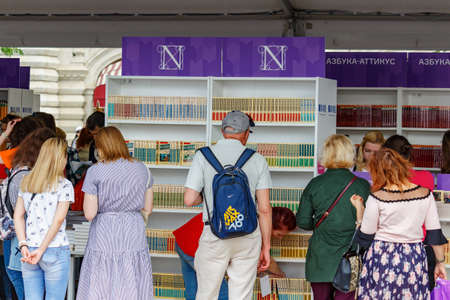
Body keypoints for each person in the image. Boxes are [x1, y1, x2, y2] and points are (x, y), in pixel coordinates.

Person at [184, 110, 272, 300]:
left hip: (215, 233)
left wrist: (208, 197)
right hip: (248, 235)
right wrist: (266, 247)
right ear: (246, 133)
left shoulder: (203, 156)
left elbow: (189, 199)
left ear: (223, 131)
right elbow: (264, 209)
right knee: (241, 294)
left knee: (207, 293)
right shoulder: (257, 159)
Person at [352, 148, 448, 299]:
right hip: (413, 257)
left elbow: (366, 236)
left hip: (381, 257)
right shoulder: (425, 194)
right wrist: (440, 262)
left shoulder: (377, 197)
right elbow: (434, 233)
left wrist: (359, 210)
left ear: (377, 172)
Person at [76, 126, 153, 299]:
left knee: (103, 277)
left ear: (100, 147)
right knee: (132, 273)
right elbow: (148, 207)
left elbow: (89, 213)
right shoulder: (142, 168)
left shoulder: (95, 171)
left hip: (105, 230)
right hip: (133, 228)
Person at [296, 134, 371, 300]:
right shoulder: (362, 185)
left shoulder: (315, 184)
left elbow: (302, 221)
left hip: (320, 256)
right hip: (350, 255)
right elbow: (369, 225)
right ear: (350, 155)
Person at [173, 207, 296, 300]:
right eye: (279, 234)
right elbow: (265, 261)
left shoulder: (249, 213)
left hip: (183, 240)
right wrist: (280, 274)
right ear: (270, 225)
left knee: (192, 293)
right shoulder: (253, 228)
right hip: (197, 247)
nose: (279, 239)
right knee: (222, 295)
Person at [13, 137, 74, 300]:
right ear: (61, 158)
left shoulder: (27, 182)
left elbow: (18, 216)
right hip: (55, 248)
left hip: (29, 250)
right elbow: (59, 220)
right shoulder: (65, 185)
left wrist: (23, 243)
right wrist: (42, 250)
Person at [2, 128, 55, 300]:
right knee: (25, 284)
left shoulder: (23, 173)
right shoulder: (27, 176)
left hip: (22, 241)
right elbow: (25, 214)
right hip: (25, 241)